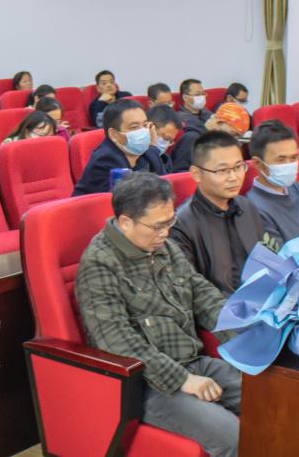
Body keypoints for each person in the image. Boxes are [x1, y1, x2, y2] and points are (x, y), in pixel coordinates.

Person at [75, 172, 239, 457]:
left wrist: (241, 338)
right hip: (149, 385)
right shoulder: (99, 263)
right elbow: (115, 340)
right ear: (125, 222)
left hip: (193, 361)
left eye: (169, 222)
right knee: (232, 435)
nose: (165, 233)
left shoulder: (163, 247)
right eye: (157, 226)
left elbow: (202, 294)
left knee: (273, 395)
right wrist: (182, 379)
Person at [170, 131, 265, 294]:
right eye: (222, 171)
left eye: (238, 167)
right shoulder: (181, 224)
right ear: (197, 174)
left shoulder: (247, 207)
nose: (234, 177)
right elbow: (190, 289)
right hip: (219, 306)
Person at [74, 100, 169, 195]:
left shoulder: (149, 152)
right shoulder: (106, 159)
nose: (143, 132)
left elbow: (165, 188)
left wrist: (153, 145)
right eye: (134, 127)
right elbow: (132, 198)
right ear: (114, 134)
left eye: (145, 125)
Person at [147, 105, 194, 173]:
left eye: (170, 141)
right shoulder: (135, 159)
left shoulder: (165, 160)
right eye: (166, 138)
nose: (166, 145)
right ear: (150, 127)